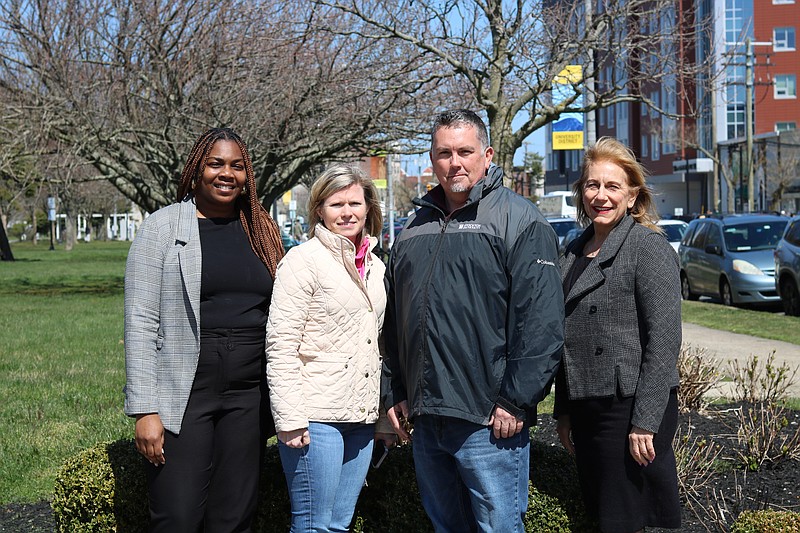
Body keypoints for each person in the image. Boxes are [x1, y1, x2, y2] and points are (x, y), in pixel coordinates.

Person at [381, 109, 564, 532]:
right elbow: (394, 322)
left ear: (487, 154)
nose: (455, 162)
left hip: (489, 420)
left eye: (465, 151)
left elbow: (542, 324)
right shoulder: (413, 227)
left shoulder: (520, 220)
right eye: (444, 153)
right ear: (432, 159)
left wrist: (516, 400)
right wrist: (395, 390)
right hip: (426, 417)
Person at [124, 127, 284, 531]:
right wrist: (145, 409)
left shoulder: (261, 230)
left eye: (236, 165)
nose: (226, 173)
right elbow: (141, 321)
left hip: (249, 394)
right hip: (185, 388)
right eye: (216, 163)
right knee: (177, 514)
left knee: (235, 516)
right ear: (197, 169)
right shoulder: (161, 228)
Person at [555, 137, 682, 532]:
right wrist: (564, 411)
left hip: (629, 409)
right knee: (603, 514)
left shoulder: (648, 247)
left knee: (626, 517)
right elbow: (567, 338)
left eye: (613, 187)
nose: (601, 196)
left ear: (632, 196)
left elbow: (663, 342)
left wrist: (645, 422)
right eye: (592, 185)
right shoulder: (572, 251)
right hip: (587, 406)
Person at [266, 164, 396, 532]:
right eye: (336, 204)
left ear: (369, 208)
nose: (347, 212)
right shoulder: (301, 261)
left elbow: (381, 346)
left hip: (361, 418)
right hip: (316, 417)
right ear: (319, 209)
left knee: (339, 525)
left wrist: (383, 418)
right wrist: (290, 420)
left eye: (355, 203)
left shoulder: (376, 266)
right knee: (313, 525)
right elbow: (280, 345)